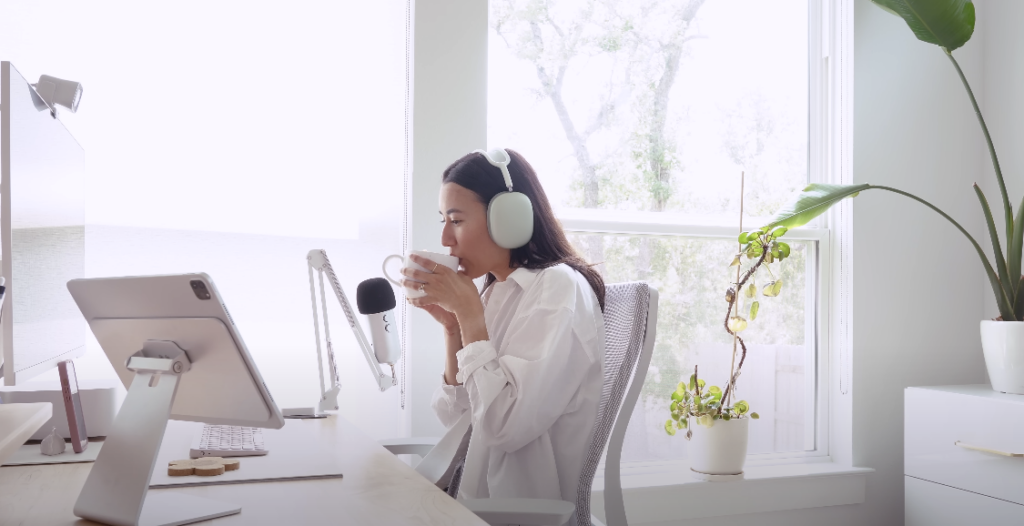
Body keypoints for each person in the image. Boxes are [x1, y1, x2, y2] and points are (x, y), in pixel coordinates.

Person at [401, 149, 605, 525]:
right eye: (443, 220)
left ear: (509, 217)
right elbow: (458, 418)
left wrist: (469, 316)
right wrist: (453, 329)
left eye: (457, 220)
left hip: (514, 514)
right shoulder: (496, 292)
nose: (446, 239)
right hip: (471, 505)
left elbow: (501, 427)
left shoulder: (558, 289)